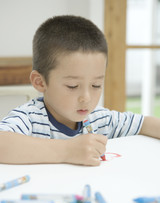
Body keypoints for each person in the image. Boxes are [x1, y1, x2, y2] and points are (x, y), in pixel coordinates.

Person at [0, 15, 159, 166]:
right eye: (72, 86)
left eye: (96, 85)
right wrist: (67, 151)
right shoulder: (31, 118)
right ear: (40, 82)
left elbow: (144, 124)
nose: (86, 98)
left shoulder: (98, 119)